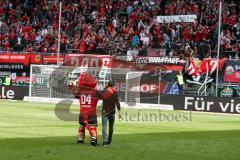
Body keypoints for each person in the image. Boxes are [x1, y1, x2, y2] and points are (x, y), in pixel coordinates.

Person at [70, 72, 101, 146]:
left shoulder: (81, 92)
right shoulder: (95, 92)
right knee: (92, 126)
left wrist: (74, 87)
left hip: (82, 112)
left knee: (81, 126)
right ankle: (93, 137)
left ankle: (80, 138)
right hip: (91, 113)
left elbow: (76, 94)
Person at [101, 80, 121, 146]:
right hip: (112, 112)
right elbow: (117, 102)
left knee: (104, 127)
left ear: (107, 84)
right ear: (113, 85)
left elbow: (100, 94)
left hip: (104, 111)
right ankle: (109, 139)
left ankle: (104, 141)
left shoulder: (104, 90)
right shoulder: (115, 92)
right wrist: (119, 111)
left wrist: (106, 87)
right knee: (111, 127)